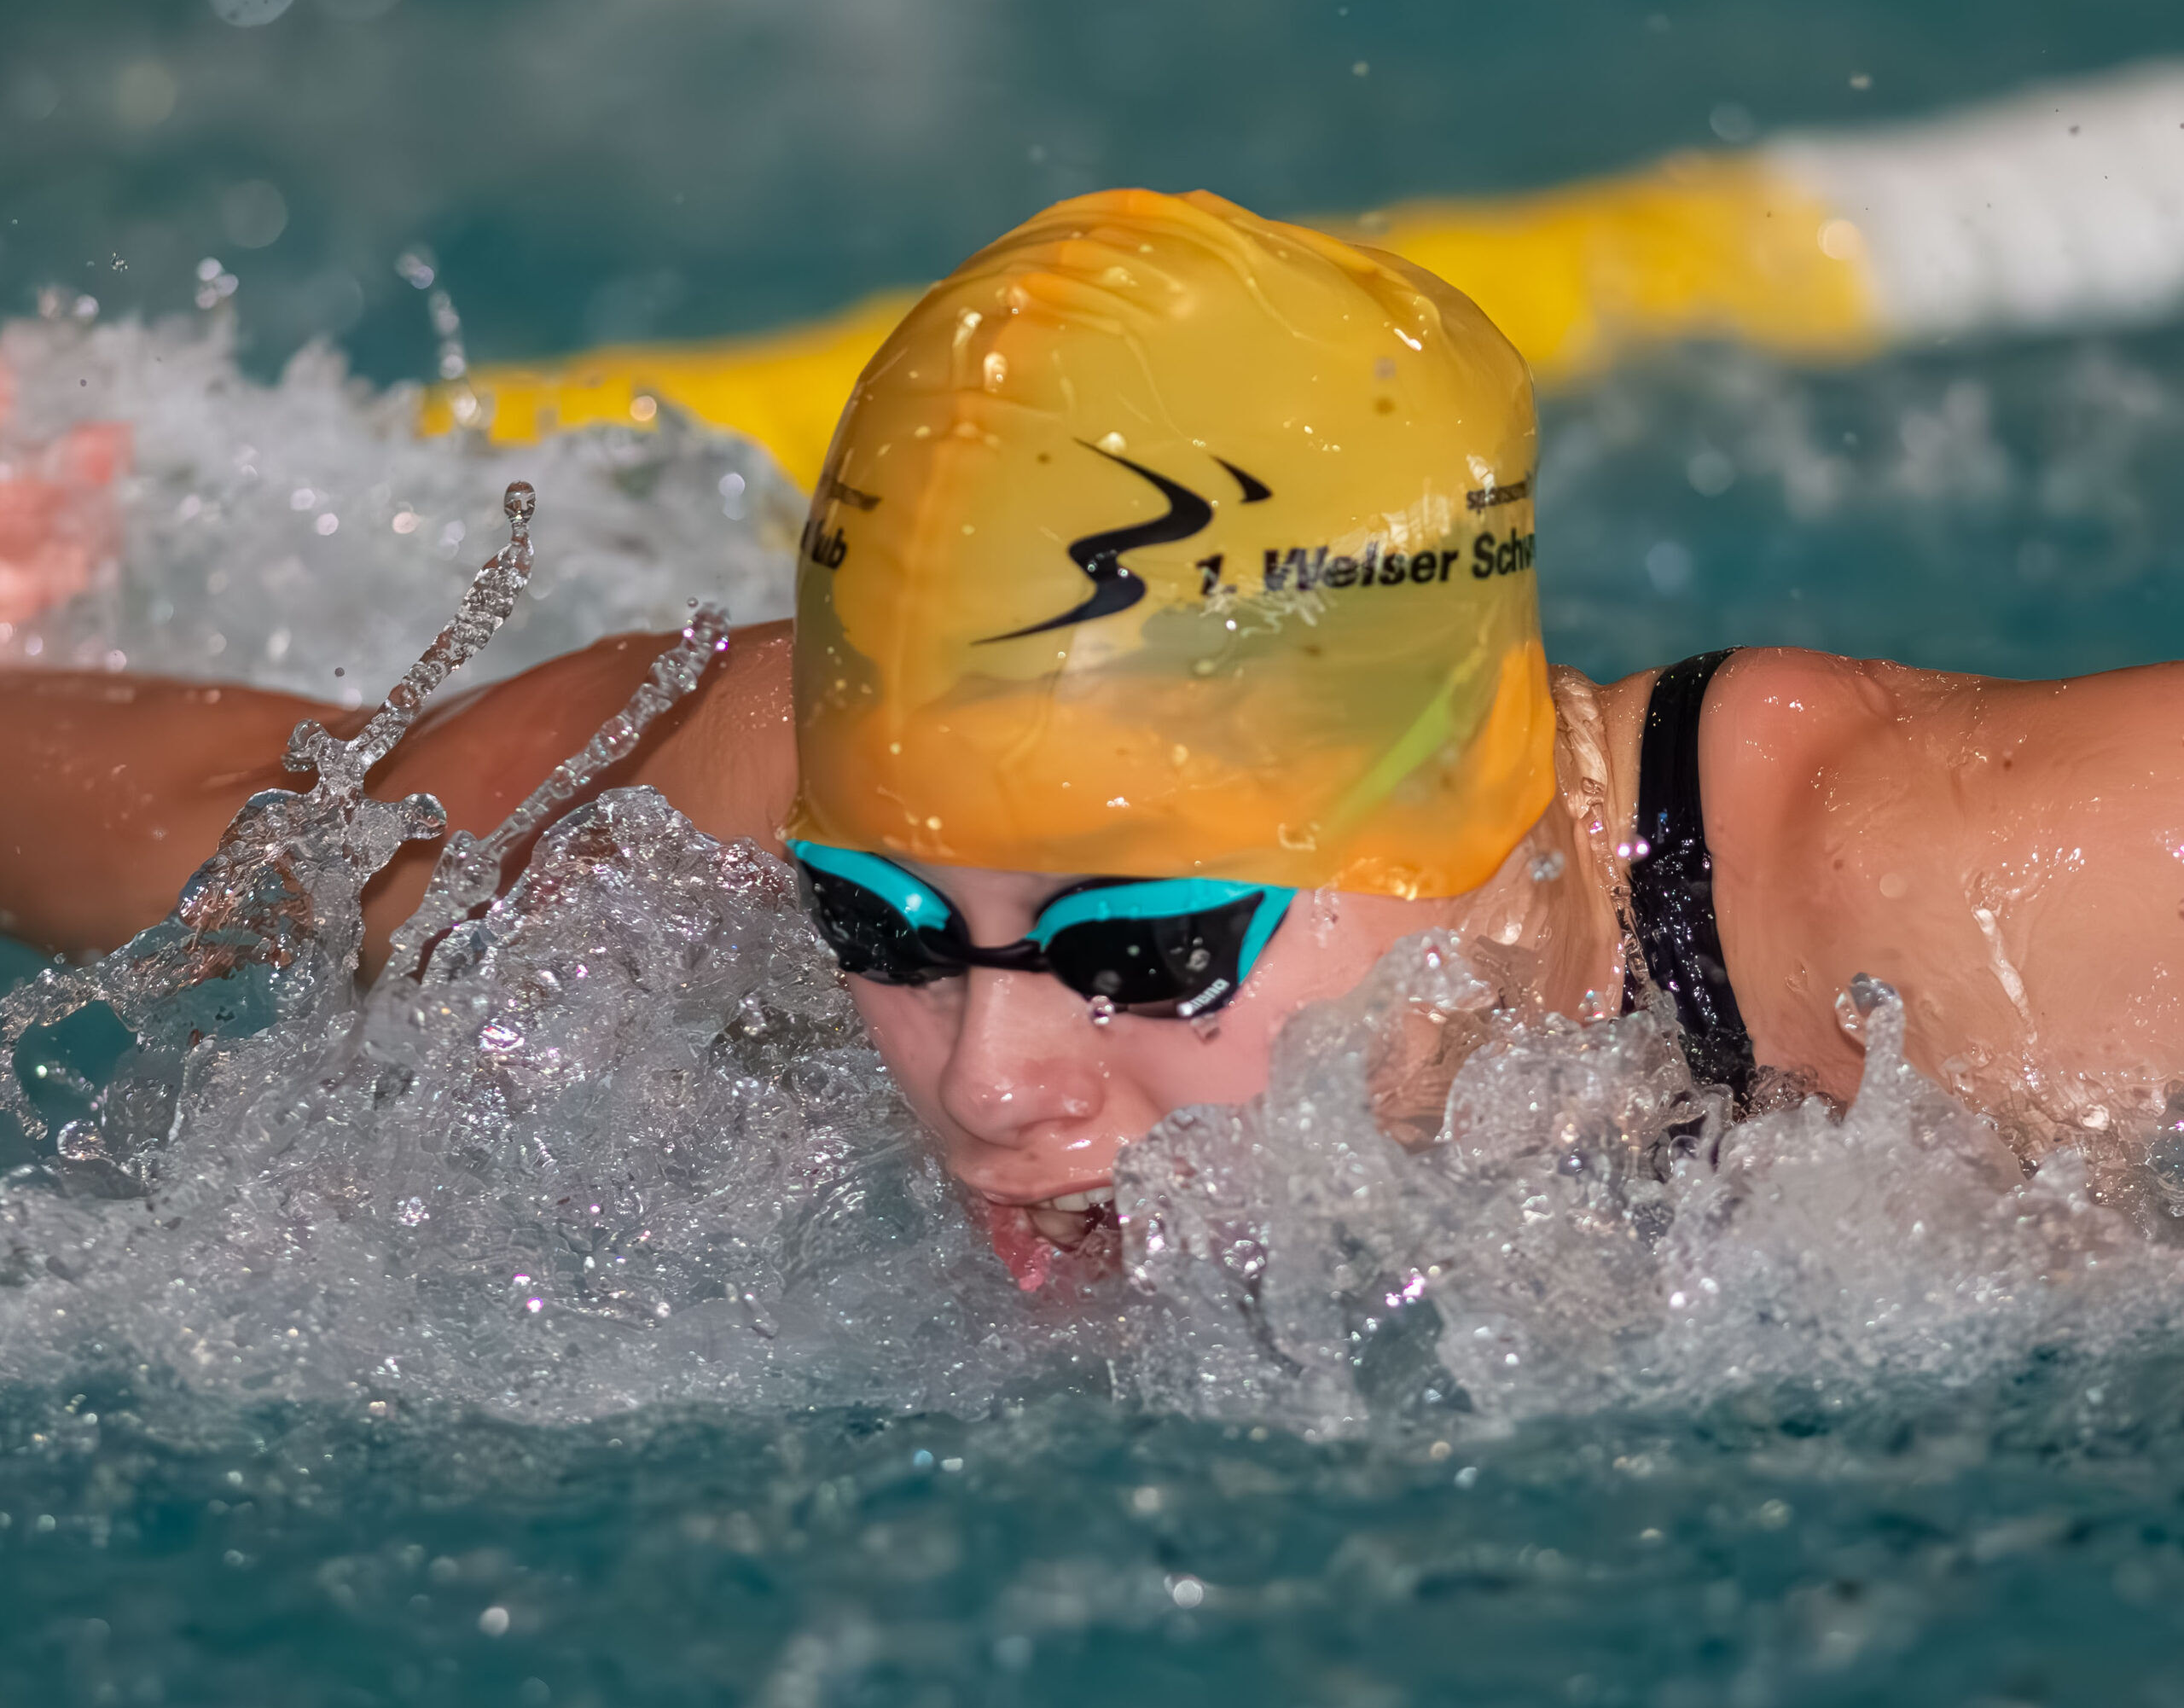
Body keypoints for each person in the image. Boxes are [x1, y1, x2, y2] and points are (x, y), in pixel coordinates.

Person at [4, 188, 2184, 1286]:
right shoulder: (752, 781)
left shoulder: (1940, 899)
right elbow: (235, 821)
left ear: (1456, 817)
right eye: (873, 923)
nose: (991, 1077)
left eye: (1139, 947)